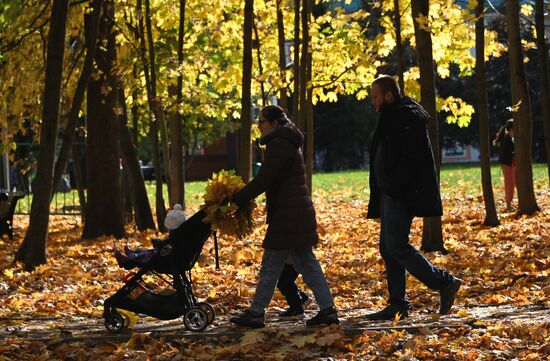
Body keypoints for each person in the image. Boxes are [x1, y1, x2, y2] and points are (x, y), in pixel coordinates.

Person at [229, 105, 338, 328]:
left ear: (274, 123)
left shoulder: (278, 144)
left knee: (271, 264)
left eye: (261, 122)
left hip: (289, 215)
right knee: (306, 264)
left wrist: (238, 198)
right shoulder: (286, 142)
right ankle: (327, 310)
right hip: (294, 212)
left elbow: (265, 178)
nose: (258, 126)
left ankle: (257, 312)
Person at [365, 75, 461, 320]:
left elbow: (410, 159)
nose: (373, 102)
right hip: (390, 192)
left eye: (376, 96)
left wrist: (394, 185)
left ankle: (444, 282)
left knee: (396, 245)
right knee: (388, 247)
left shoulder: (406, 117)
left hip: (400, 193)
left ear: (389, 95)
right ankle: (397, 303)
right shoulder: (390, 117)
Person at [493, 119, 515, 211]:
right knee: (509, 183)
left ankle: (510, 203)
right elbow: (505, 153)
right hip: (507, 163)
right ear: (511, 129)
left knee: (512, 183)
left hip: (510, 163)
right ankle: (508, 204)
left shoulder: (511, 138)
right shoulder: (507, 139)